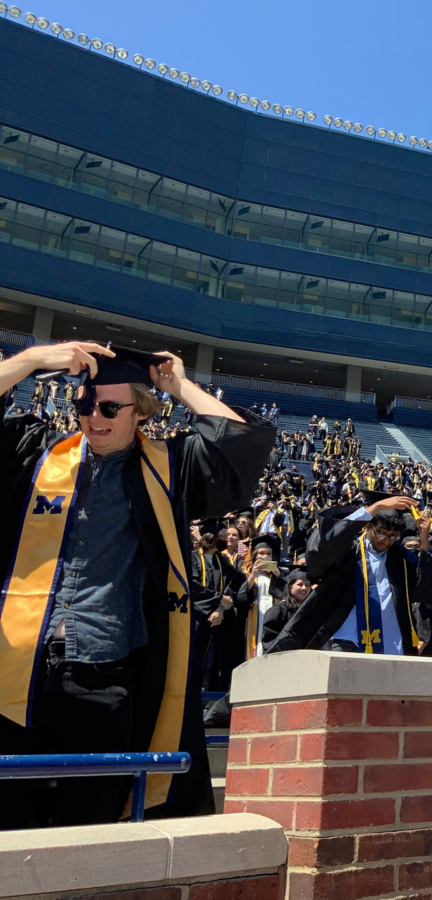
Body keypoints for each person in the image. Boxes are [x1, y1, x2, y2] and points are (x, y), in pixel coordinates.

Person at [0, 342, 273, 829]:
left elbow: (242, 441)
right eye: (85, 404)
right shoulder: (37, 454)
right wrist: (32, 360)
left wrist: (179, 385)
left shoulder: (170, 469)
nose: (94, 417)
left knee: (82, 831)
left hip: (103, 678)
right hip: (13, 674)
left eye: (109, 407)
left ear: (140, 411)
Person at [268, 492, 432, 654]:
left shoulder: (403, 559)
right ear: (367, 526)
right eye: (381, 532)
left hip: (392, 643)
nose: (386, 540)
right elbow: (323, 545)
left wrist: (424, 540)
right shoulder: (347, 552)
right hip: (347, 640)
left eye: (393, 535)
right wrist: (374, 509)